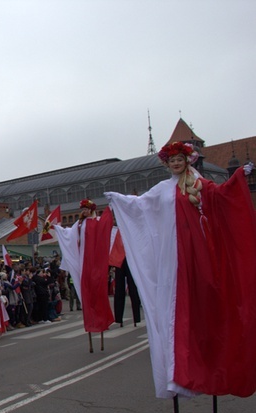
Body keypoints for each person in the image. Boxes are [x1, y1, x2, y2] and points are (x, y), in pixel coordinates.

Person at [106, 142, 256, 399]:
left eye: (179, 159)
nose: (175, 163)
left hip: (199, 253)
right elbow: (141, 206)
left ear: (187, 160)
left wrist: (239, 176)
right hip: (173, 257)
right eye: (171, 160)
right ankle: (182, 370)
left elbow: (221, 197)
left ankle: (213, 360)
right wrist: (118, 200)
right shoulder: (162, 189)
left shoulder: (200, 184)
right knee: (178, 308)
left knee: (208, 303)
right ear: (166, 164)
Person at [54, 199, 114, 341]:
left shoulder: (98, 221)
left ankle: (102, 320)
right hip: (84, 260)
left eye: (86, 208)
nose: (84, 211)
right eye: (82, 209)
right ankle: (91, 321)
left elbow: (106, 228)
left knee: (98, 289)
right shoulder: (81, 223)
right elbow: (70, 234)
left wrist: (111, 207)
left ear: (91, 208)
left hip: (96, 260)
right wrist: (58, 229)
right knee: (87, 290)